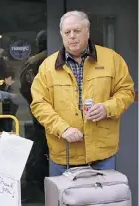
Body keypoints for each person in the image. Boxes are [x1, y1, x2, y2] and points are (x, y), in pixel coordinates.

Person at [30, 11, 135, 176]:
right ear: (62, 35)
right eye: (67, 32)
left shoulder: (112, 59)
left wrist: (107, 108)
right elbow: (39, 104)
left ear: (87, 32)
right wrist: (62, 129)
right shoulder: (47, 67)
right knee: (65, 202)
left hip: (102, 154)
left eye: (77, 31)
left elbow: (127, 91)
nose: (72, 36)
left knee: (103, 201)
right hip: (64, 154)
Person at [19, 30, 49, 193]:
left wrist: (35, 103)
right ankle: (37, 183)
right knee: (43, 146)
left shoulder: (35, 60)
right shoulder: (45, 59)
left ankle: (36, 182)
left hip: (40, 109)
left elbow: (24, 87)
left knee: (41, 144)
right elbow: (26, 86)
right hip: (46, 110)